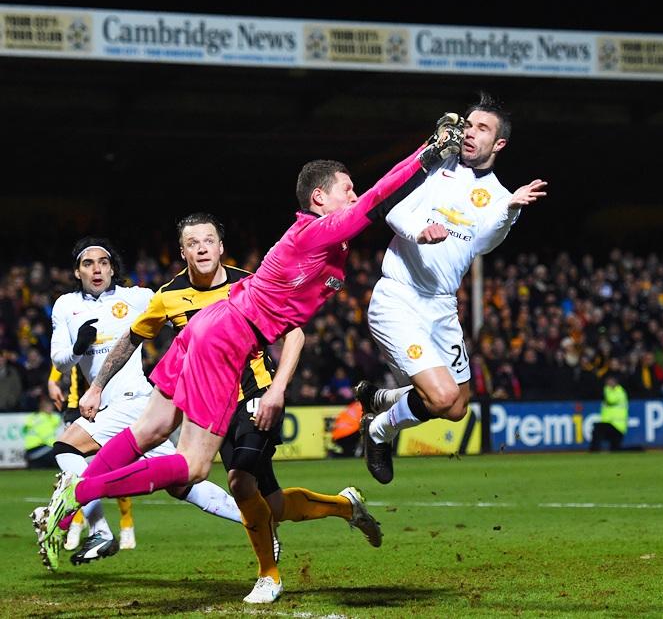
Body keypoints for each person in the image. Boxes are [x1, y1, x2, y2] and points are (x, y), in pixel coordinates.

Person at [36, 111, 466, 604]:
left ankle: (75, 493)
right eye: (345, 187)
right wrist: (428, 153)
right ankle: (84, 493)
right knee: (193, 467)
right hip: (229, 338)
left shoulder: (325, 242)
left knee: (149, 433)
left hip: (210, 327)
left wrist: (428, 204)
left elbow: (381, 209)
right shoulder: (313, 231)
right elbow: (374, 202)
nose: (353, 193)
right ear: (319, 198)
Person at [39, 214, 383, 594]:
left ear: (221, 247)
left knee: (238, 482)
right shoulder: (168, 296)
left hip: (253, 397)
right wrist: (97, 386)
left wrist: (278, 388)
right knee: (274, 507)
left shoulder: (250, 285)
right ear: (182, 251)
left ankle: (268, 575)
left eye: (208, 241)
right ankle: (345, 506)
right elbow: (131, 339)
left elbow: (295, 333)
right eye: (192, 243)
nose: (201, 248)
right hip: (204, 405)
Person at [356, 92, 548, 484]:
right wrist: (419, 232)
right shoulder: (432, 164)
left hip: (441, 306)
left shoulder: (499, 196)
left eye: (482, 128)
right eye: (469, 124)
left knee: (457, 406)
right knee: (441, 397)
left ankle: (380, 400)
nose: (471, 133)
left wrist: (510, 209)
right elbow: (389, 205)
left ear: (499, 144)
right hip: (399, 297)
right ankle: (378, 432)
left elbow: (484, 241)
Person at [32, 236, 242, 571]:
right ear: (77, 271)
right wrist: (77, 349)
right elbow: (59, 362)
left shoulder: (137, 297)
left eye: (103, 262)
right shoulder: (65, 306)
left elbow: (180, 307)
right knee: (182, 484)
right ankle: (255, 520)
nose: (97, 269)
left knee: (66, 446)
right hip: (119, 409)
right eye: (88, 263)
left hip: (134, 400)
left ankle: (97, 530)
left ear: (113, 268)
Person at [47, 363, 136, 552]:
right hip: (75, 408)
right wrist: (52, 381)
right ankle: (78, 523)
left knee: (114, 470)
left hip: (107, 408)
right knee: (75, 474)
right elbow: (66, 356)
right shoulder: (75, 338)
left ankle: (126, 523)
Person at [589, 374, 628, 452]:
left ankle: (594, 450)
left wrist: (606, 389)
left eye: (610, 382)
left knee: (598, 428)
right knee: (615, 449)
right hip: (611, 425)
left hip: (617, 426)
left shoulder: (619, 391)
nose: (608, 384)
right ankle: (595, 449)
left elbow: (611, 400)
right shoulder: (613, 391)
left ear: (615, 382)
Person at [23, 392, 62, 468]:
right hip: (36, 450)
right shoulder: (42, 420)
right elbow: (49, 440)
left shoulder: (39, 418)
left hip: (32, 452)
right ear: (43, 407)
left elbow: (56, 419)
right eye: (48, 406)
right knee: (60, 452)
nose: (51, 408)